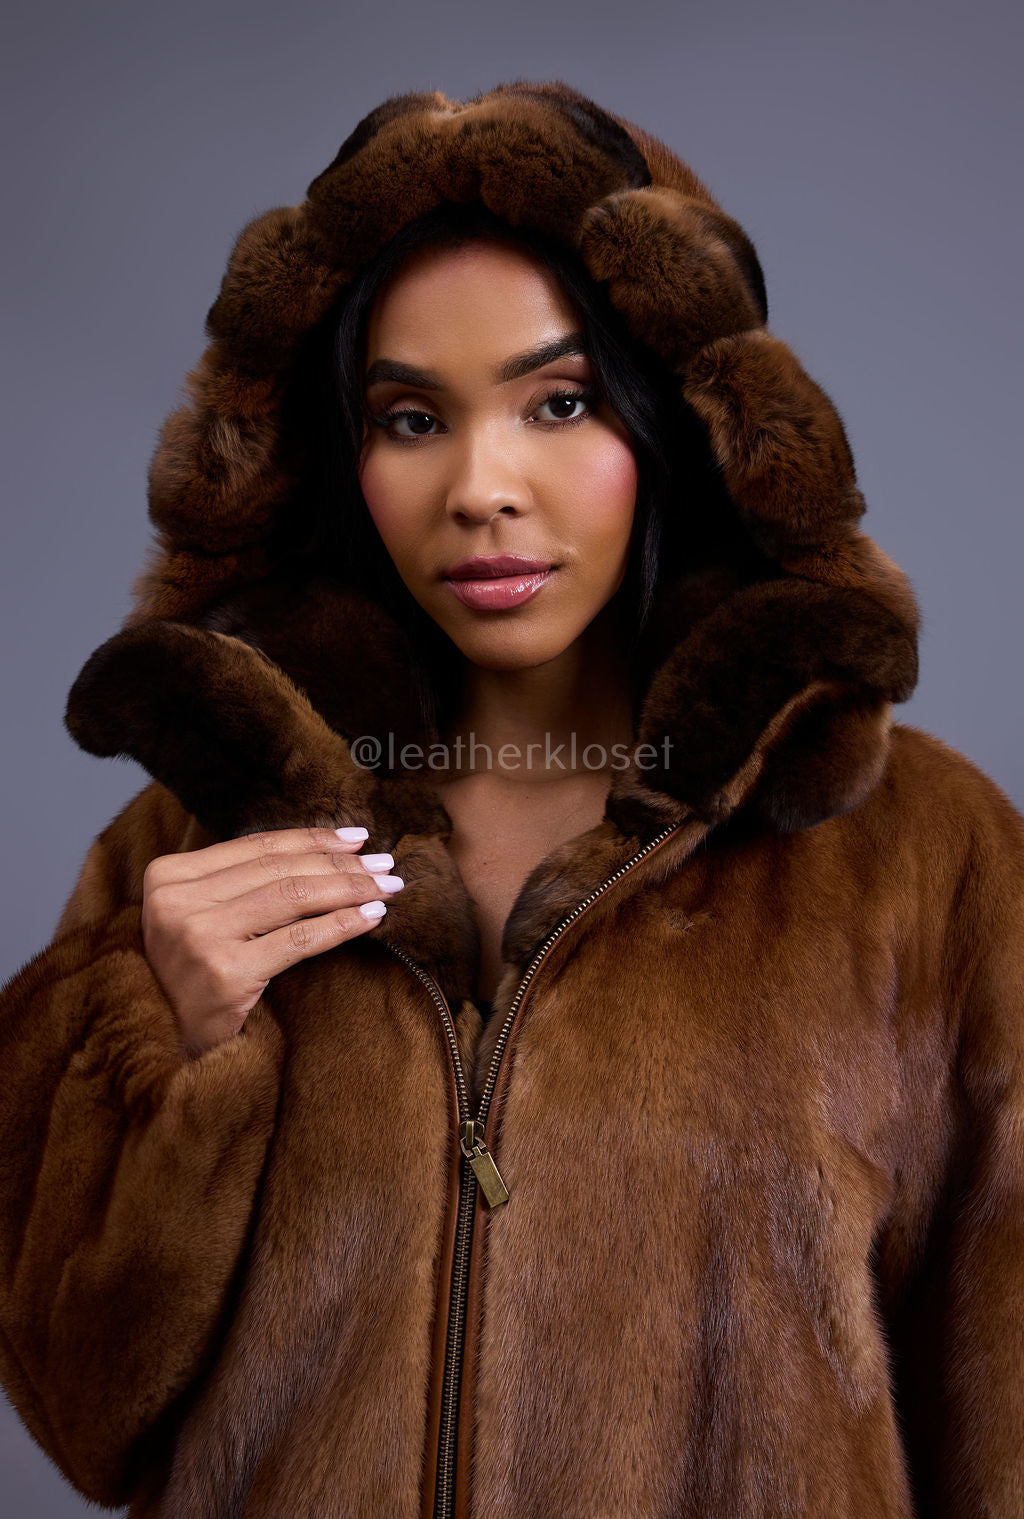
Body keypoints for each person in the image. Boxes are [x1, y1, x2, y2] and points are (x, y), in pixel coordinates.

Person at [0, 78, 1021, 1519]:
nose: (481, 486)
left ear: (683, 423)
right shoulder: (187, 851)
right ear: (340, 457)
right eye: (411, 417)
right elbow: (81, 1419)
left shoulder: (921, 858)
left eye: (561, 402)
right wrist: (161, 1046)